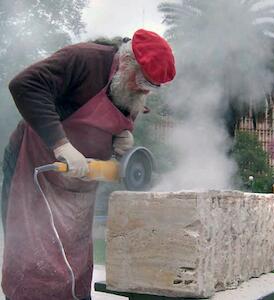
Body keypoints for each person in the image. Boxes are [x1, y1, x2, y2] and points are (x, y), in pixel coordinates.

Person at [1, 29, 176, 300]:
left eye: (151, 86)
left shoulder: (133, 90)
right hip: (35, 166)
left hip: (78, 182)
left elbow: (117, 120)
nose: (143, 89)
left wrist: (121, 138)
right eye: (142, 80)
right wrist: (62, 145)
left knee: (75, 254)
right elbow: (24, 85)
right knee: (33, 254)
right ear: (127, 61)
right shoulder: (84, 59)